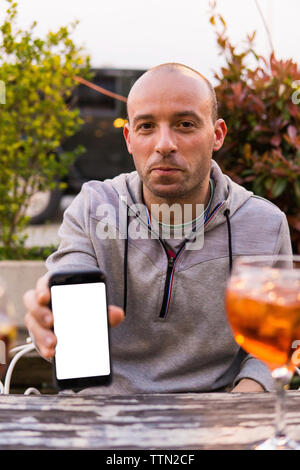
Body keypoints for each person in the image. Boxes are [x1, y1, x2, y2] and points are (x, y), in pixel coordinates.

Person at [23, 63, 292, 394]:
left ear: (217, 135)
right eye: (147, 126)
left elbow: (272, 342)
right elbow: (69, 277)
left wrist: (237, 412)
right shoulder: (93, 208)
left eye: (185, 124)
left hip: (217, 423)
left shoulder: (263, 223)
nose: (164, 144)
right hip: (103, 418)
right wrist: (52, 309)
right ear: (130, 139)